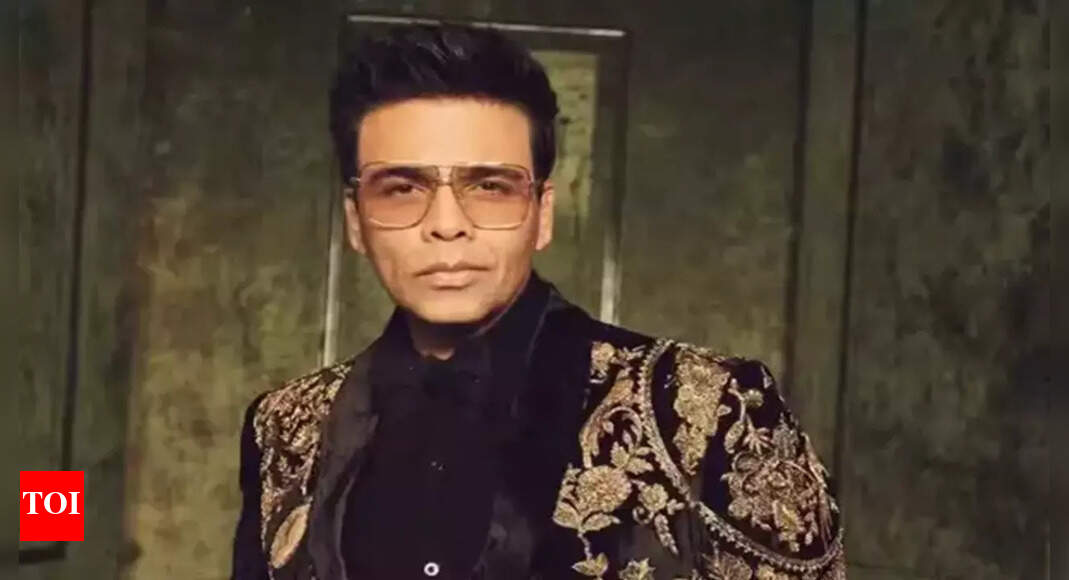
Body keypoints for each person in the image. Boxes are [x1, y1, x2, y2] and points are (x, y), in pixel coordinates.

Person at [231, 22, 845, 580]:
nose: (446, 224)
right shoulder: (285, 426)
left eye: (489, 186)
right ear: (356, 220)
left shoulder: (710, 409)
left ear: (541, 213)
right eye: (402, 188)